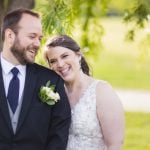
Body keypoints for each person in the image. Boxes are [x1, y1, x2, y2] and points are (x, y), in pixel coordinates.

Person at [0, 8, 71, 150]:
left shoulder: (51, 80)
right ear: (10, 36)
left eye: (40, 38)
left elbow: (59, 132)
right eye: (32, 36)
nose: (38, 44)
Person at [44, 34, 125, 150]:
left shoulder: (102, 91)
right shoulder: (53, 94)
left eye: (65, 56)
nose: (60, 64)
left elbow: (114, 145)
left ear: (78, 55)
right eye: (53, 61)